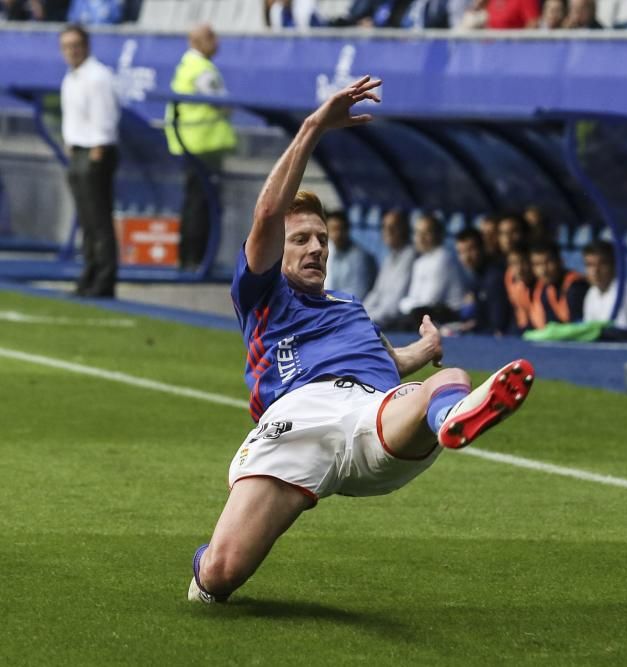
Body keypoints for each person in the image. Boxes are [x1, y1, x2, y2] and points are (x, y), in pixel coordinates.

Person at [187, 76, 535, 604]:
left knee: (450, 379)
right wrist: (312, 128)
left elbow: (382, 362)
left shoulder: (350, 306)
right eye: (300, 239)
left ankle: (453, 417)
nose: (315, 249)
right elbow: (265, 215)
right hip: (296, 420)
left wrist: (423, 353)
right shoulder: (262, 292)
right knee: (219, 576)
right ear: (277, 248)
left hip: (369, 412)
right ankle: (204, 563)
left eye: (322, 240)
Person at [165, 23, 237, 272]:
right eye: (211, 37)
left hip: (192, 144)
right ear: (197, 41)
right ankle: (197, 259)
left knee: (194, 202)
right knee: (202, 203)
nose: (216, 41)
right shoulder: (202, 70)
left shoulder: (186, 66)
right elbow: (222, 103)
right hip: (204, 145)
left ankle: (188, 257)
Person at [60, 24, 120, 298]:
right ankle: (90, 270)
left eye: (75, 45)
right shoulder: (71, 78)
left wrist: (98, 151)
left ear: (86, 46)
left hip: (95, 152)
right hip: (78, 150)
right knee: (86, 220)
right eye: (66, 46)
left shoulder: (97, 76)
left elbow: (105, 117)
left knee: (99, 220)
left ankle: (105, 278)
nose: (71, 51)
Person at [394, 213, 466, 326]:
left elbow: (430, 301)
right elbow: (412, 298)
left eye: (426, 233)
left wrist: (408, 305)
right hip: (423, 313)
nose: (421, 238)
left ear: (438, 235)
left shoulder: (443, 258)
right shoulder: (420, 262)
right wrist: (407, 305)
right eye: (417, 233)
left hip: (448, 315)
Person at [363, 208, 416, 326]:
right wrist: (359, 313)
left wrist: (364, 319)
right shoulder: (389, 256)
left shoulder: (411, 255)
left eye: (394, 227)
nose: (388, 231)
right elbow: (376, 293)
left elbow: (393, 308)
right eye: (385, 227)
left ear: (405, 229)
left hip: (396, 324)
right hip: (378, 318)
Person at [454, 228, 510, 335]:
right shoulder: (475, 276)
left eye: (470, 249)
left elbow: (498, 326)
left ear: (483, 248)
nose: (466, 257)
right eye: (461, 252)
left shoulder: (494, 277)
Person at [528, 240, 588, 329]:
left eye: (548, 262)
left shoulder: (576, 288)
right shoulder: (546, 288)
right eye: (537, 264)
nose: (543, 270)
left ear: (560, 261)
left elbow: (579, 328)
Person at [323, 209, 377, 297]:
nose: (337, 234)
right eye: (333, 230)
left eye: (340, 229)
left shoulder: (360, 257)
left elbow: (358, 294)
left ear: (348, 230)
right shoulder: (333, 252)